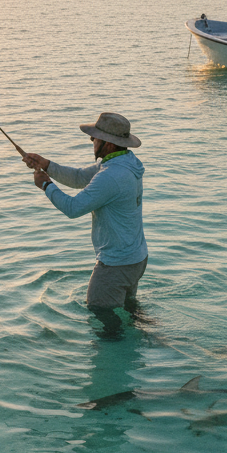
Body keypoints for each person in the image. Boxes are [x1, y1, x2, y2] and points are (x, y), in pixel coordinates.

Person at [23, 112, 148, 332]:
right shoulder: (125, 162)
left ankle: (120, 352)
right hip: (135, 259)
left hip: (115, 265)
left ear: (109, 144)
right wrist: (46, 165)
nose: (91, 140)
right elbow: (80, 177)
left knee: (103, 319)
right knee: (132, 316)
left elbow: (73, 208)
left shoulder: (111, 176)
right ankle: (155, 342)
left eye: (95, 137)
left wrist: (46, 186)